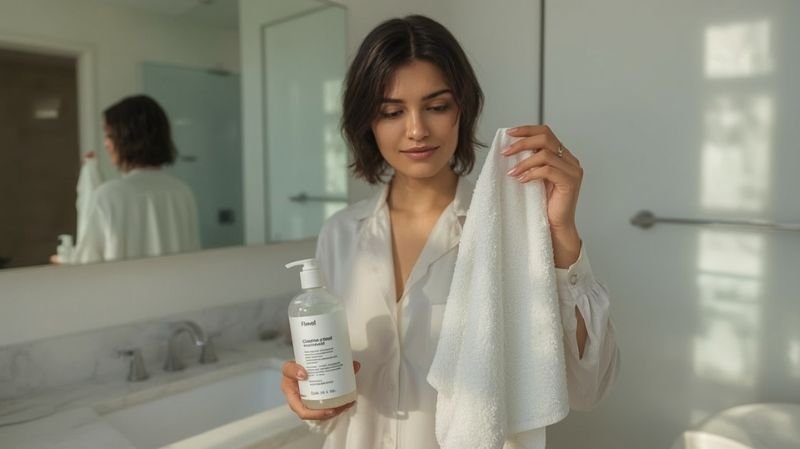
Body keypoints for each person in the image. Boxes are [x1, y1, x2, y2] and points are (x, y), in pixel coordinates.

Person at [280, 15, 619, 449]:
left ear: (462, 109)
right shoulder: (340, 233)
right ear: (368, 121)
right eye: (391, 112)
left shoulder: (508, 236)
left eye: (437, 106)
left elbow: (589, 386)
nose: (417, 130)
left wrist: (561, 232)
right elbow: (330, 371)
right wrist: (310, 393)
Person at [57, 95, 200, 264]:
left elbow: (87, 267)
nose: (105, 144)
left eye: (109, 135)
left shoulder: (107, 196)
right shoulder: (183, 192)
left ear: (128, 138)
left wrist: (64, 263)